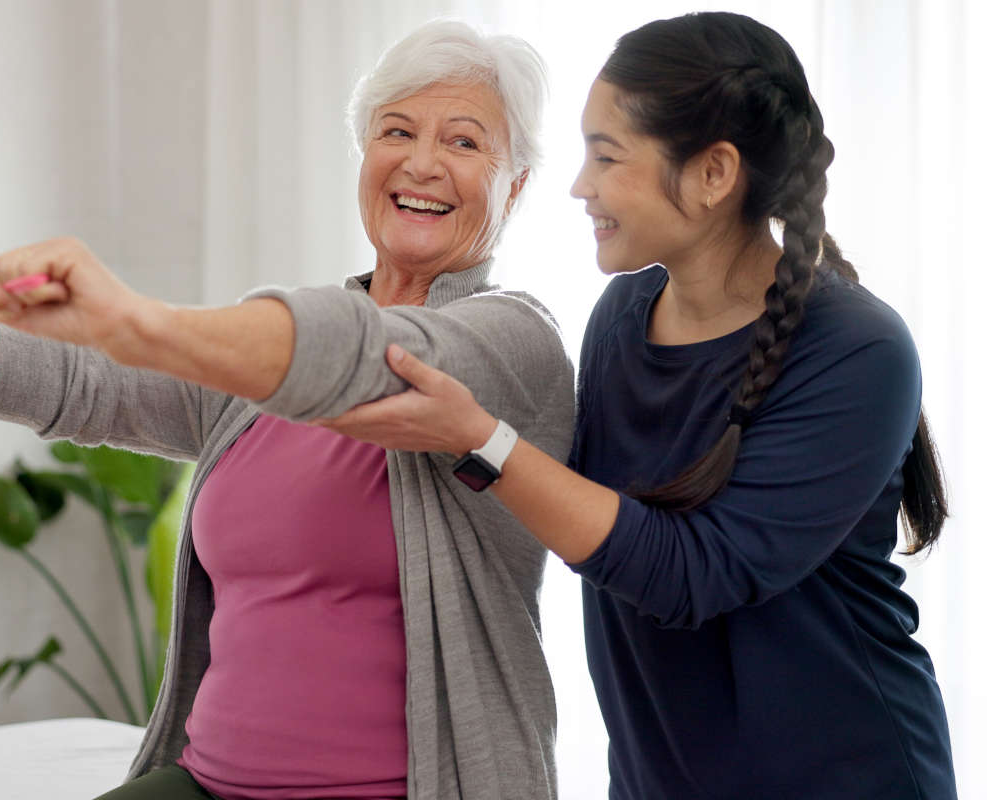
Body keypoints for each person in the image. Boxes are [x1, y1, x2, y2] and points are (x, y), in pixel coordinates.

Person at [0, 20, 573, 800]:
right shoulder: (259, 356)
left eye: (466, 143)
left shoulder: (511, 341)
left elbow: (368, 360)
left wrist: (135, 320)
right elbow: (78, 381)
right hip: (205, 786)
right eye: (396, 131)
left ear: (517, 184)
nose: (423, 161)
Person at [319, 12, 957, 800]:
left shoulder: (859, 351)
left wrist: (479, 439)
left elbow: (691, 574)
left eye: (607, 156)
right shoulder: (624, 315)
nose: (580, 185)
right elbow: (584, 519)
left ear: (713, 175)